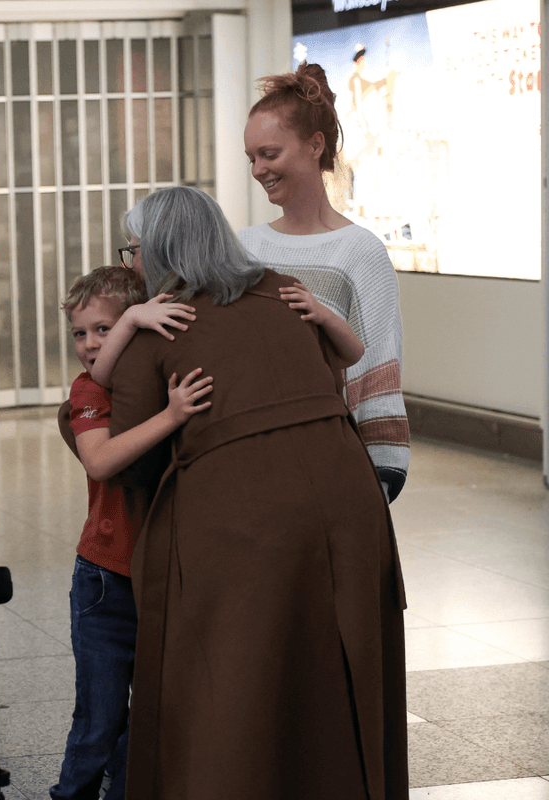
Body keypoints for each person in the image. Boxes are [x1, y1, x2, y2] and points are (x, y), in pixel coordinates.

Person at [109, 186, 406, 800]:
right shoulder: (287, 292)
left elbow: (131, 464)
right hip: (349, 503)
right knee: (334, 675)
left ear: (160, 251)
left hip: (244, 516)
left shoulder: (163, 322)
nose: (130, 264)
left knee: (237, 688)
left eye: (133, 250)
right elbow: (338, 367)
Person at [52, 266, 209, 800]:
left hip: (159, 576)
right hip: (104, 579)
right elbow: (99, 461)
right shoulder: (88, 389)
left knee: (144, 724)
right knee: (98, 721)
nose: (90, 344)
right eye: (80, 333)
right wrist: (171, 416)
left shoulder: (159, 377)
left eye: (105, 328)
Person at [240, 61, 409, 502]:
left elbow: (376, 368)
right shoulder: (243, 248)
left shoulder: (360, 251)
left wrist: (381, 476)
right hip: (247, 466)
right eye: (252, 158)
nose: (258, 170)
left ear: (315, 145)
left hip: (327, 469)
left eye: (270, 154)